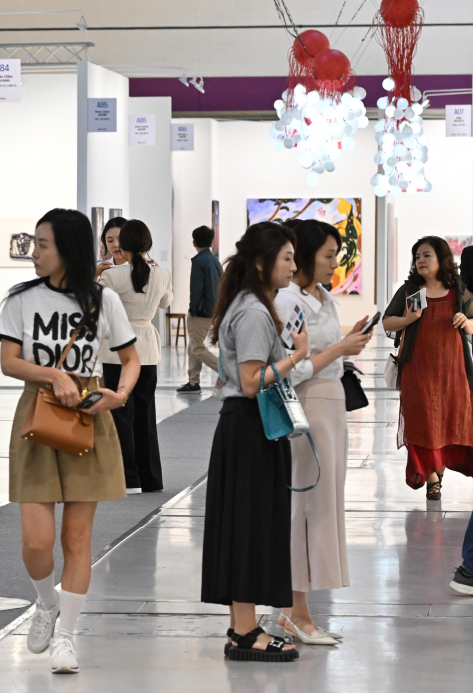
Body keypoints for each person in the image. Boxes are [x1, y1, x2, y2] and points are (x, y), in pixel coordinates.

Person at [0, 208, 140, 674]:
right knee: (36, 543)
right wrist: (52, 373)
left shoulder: (103, 301)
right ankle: (45, 601)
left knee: (77, 539)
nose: (33, 252)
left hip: (87, 415)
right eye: (34, 243)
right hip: (38, 412)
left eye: (42, 244)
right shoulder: (21, 299)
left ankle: (67, 637)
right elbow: (9, 362)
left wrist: (119, 395)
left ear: (67, 250)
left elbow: (131, 359)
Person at [200, 221, 302, 662]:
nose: (293, 266)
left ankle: (244, 625)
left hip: (244, 429)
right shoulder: (256, 311)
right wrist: (297, 356)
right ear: (261, 263)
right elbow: (249, 381)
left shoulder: (247, 303)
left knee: (243, 525)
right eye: (287, 258)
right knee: (248, 526)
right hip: (250, 427)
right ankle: (244, 631)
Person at [273, 220, 373, 645]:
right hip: (309, 406)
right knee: (308, 507)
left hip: (331, 404)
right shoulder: (289, 302)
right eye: (329, 255)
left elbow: (323, 352)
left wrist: (349, 339)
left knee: (323, 504)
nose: (335, 263)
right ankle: (296, 612)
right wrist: (340, 349)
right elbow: (289, 368)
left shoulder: (322, 297)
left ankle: (295, 610)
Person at [382, 237, 473, 501]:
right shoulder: (410, 291)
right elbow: (388, 321)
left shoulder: (459, 291)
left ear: (442, 259)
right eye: (417, 257)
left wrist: (466, 321)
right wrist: (408, 319)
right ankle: (432, 478)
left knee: (446, 421)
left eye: (426, 256)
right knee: (422, 421)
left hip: (452, 371)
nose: (420, 261)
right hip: (416, 369)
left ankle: (438, 469)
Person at [99, 219, 173, 493]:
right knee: (145, 413)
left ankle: (128, 478)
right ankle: (151, 478)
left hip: (116, 348)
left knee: (120, 414)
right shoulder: (161, 273)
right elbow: (166, 302)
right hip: (147, 347)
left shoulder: (112, 276)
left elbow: (97, 308)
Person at [178, 225, 223, 393]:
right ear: (211, 241)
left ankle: (224, 372)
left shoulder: (198, 261)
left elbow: (196, 289)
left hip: (202, 311)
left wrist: (193, 310)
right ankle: (193, 380)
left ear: (193, 242)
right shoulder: (215, 261)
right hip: (215, 309)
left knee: (197, 346)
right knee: (193, 345)